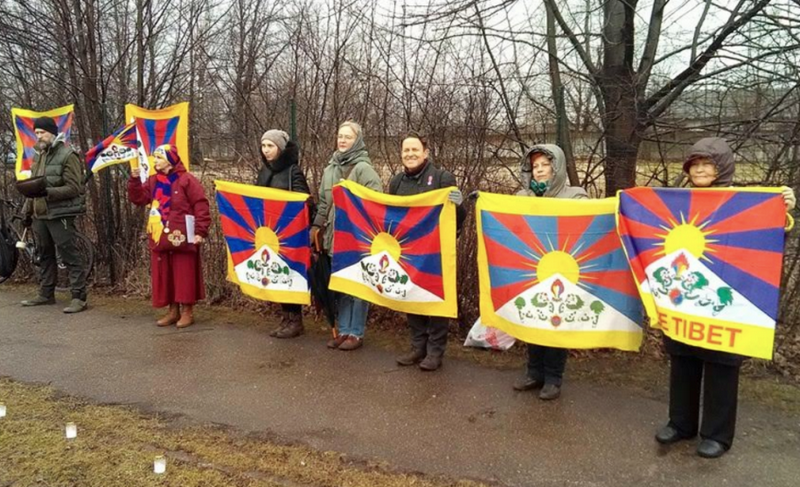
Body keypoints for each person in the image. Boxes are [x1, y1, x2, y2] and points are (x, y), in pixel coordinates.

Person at [655, 137, 796, 458]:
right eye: (695, 165)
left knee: (721, 365)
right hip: (684, 296)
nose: (700, 169)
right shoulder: (677, 201)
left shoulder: (741, 201)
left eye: (707, 164)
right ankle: (680, 423)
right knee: (683, 359)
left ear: (723, 168)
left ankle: (717, 434)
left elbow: (768, 237)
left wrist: (783, 210)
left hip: (729, 297)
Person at [512, 144, 587, 400]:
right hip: (531, 269)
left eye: (545, 165)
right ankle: (534, 373)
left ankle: (553, 378)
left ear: (557, 168)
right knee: (534, 318)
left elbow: (586, 227)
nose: (540, 170)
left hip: (562, 271)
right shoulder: (522, 197)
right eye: (535, 166)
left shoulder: (576, 196)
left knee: (555, 322)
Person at [388, 133, 466, 371]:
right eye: (406, 151)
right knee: (411, 296)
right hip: (408, 252)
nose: (410, 154)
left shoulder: (442, 178)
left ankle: (435, 351)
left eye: (414, 150)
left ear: (425, 152)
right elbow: (390, 215)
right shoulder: (397, 182)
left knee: (434, 300)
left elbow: (457, 219)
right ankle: (417, 346)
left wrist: (460, 204)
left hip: (436, 252)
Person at [311, 121, 382, 351]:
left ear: (357, 141)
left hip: (358, 237)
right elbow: (324, 203)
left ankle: (356, 333)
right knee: (341, 284)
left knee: (358, 286)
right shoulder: (329, 169)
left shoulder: (364, 169)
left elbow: (375, 201)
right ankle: (343, 330)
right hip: (334, 236)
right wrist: (316, 227)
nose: (342, 140)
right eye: (340, 136)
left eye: (348, 137)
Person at [128, 144, 211, 328]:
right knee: (165, 273)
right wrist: (134, 181)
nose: (155, 161)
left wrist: (200, 231)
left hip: (182, 236)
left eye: (158, 157)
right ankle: (173, 311)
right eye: (155, 157)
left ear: (170, 160)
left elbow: (201, 205)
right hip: (160, 236)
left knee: (184, 273)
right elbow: (139, 199)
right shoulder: (153, 181)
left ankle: (188, 311)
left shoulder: (187, 180)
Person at [20, 116, 89, 313]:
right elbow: (34, 187)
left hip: (61, 214)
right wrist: (27, 210)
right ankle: (46, 294)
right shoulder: (38, 155)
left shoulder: (68, 155)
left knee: (70, 255)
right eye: (37, 132)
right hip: (40, 214)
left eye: (42, 132)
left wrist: (48, 193)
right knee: (44, 255)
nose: (39, 136)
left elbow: (76, 188)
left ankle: (79, 297)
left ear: (52, 132)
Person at [255, 129, 315, 338]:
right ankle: (285, 317)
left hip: (289, 234)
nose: (266, 150)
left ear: (280, 147)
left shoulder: (292, 172)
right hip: (269, 234)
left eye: (270, 146)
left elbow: (305, 202)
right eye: (264, 146)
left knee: (290, 276)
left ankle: (296, 320)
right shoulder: (264, 171)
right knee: (276, 274)